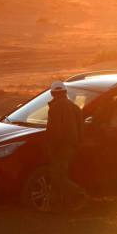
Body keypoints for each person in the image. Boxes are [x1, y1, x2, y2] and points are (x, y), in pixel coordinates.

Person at [45, 81, 86, 213]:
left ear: (52, 93)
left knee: (57, 177)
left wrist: (51, 148)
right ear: (65, 92)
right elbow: (81, 129)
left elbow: (54, 131)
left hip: (59, 148)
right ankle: (61, 205)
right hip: (70, 147)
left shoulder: (55, 108)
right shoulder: (75, 108)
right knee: (61, 175)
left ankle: (80, 195)